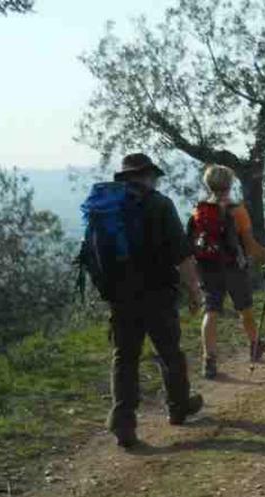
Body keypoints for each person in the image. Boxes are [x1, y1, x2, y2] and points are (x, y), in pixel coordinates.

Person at [77, 153, 204, 449]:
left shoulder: (107, 208)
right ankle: (178, 406)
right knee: (169, 352)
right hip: (158, 293)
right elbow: (182, 255)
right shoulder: (160, 204)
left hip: (120, 297)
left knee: (125, 358)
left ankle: (123, 423)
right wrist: (195, 291)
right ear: (148, 175)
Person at [187, 164, 265, 380]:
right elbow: (251, 246)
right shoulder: (237, 211)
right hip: (234, 267)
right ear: (230, 183)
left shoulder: (198, 211)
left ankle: (209, 360)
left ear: (208, 184)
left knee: (211, 311)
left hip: (207, 268)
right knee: (245, 308)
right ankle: (255, 346)